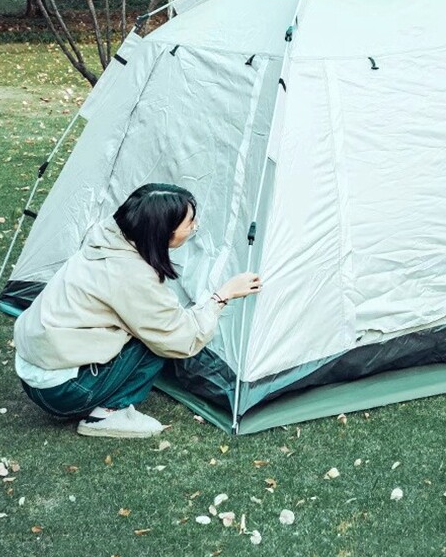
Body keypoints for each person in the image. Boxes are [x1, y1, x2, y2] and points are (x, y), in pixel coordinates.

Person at [13, 184, 261, 438]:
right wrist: (223, 295)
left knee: (150, 324)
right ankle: (106, 415)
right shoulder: (130, 274)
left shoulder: (106, 237)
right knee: (157, 338)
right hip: (63, 391)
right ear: (163, 231)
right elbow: (182, 338)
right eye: (190, 222)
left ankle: (99, 389)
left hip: (34, 371)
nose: (195, 226)